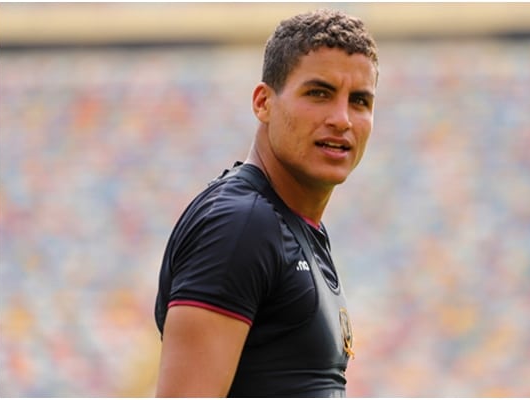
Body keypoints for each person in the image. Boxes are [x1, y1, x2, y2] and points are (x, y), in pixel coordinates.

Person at [154, 8, 379, 397]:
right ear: (263, 103)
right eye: (319, 93)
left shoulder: (292, 224)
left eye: (359, 101)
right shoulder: (240, 225)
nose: (342, 119)